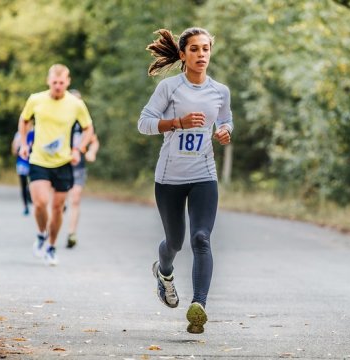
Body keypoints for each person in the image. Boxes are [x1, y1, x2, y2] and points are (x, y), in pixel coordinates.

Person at [138, 28, 233, 334]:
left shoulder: (220, 91)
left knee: (201, 238)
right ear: (182, 55)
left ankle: (199, 306)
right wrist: (175, 123)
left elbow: (226, 119)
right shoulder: (169, 89)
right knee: (175, 242)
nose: (201, 54)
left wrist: (224, 132)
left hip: (204, 174)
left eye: (206, 49)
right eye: (194, 49)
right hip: (169, 178)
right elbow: (144, 123)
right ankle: (163, 272)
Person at [18, 64, 94, 266]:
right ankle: (41, 233)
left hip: (63, 161)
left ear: (67, 82)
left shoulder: (75, 104)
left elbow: (88, 128)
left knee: (58, 207)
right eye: (54, 82)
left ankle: (51, 246)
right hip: (39, 159)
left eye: (61, 82)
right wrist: (24, 144)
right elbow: (24, 121)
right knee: (41, 203)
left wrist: (79, 149)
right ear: (48, 81)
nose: (58, 86)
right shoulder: (36, 99)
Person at [66, 89, 100, 249]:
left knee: (76, 198)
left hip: (78, 165)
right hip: (60, 165)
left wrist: (92, 151)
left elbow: (94, 141)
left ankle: (71, 233)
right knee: (58, 203)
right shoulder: (60, 120)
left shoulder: (84, 122)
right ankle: (48, 230)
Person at [11, 122, 34, 215]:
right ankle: (25, 206)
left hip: (34, 162)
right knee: (23, 184)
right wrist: (17, 146)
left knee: (33, 184)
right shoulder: (18, 135)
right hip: (22, 163)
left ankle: (33, 200)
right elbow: (14, 151)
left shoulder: (34, 133)